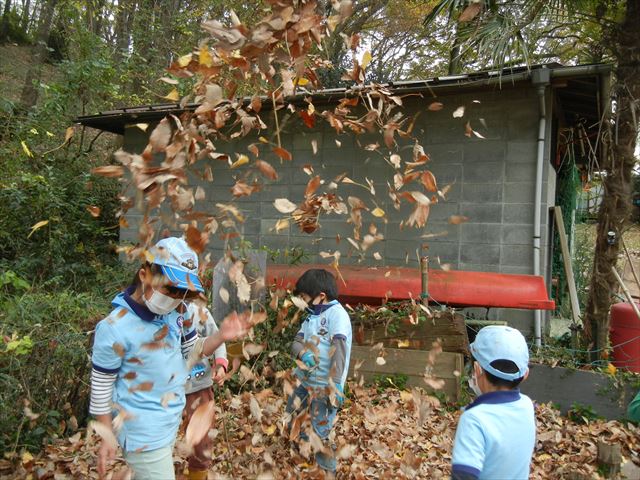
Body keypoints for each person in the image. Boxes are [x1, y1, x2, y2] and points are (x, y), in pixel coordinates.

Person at [89, 237, 250, 480]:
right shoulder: (114, 328)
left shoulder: (176, 314)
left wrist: (220, 336)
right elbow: (101, 386)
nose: (175, 298)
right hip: (143, 435)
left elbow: (192, 350)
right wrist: (106, 435)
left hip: (167, 424)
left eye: (183, 292)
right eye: (169, 289)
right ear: (144, 275)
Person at [285, 268, 352, 477]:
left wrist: (335, 384)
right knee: (293, 414)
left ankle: (327, 470)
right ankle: (305, 456)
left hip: (326, 386)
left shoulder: (337, 315)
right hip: (304, 381)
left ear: (321, 296)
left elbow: (339, 351)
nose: (303, 302)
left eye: (305, 297)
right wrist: (303, 353)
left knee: (320, 429)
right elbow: (295, 343)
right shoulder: (311, 317)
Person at [451, 325, 535, 480]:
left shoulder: (474, 419)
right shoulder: (527, 406)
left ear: (477, 370)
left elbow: (463, 476)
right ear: (525, 375)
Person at [182, 303, 229, 480]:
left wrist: (220, 364)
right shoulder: (158, 314)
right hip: (167, 389)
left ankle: (197, 473)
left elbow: (218, 340)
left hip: (198, 387)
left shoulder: (199, 313)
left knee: (201, 441)